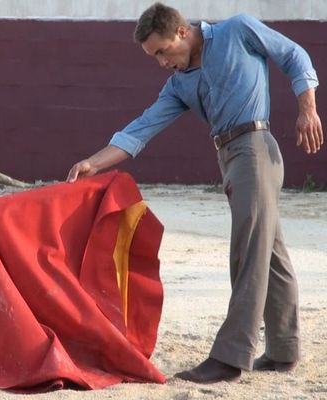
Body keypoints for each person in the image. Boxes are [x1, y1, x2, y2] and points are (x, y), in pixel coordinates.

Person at [66, 2, 323, 384]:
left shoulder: (238, 30)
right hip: (231, 157)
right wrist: (95, 162)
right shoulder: (180, 84)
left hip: (255, 148)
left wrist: (307, 108)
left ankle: (231, 357)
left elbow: (293, 55)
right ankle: (284, 349)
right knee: (270, 253)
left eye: (162, 51)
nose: (161, 62)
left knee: (248, 251)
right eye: (153, 56)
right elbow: (141, 128)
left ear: (182, 32)